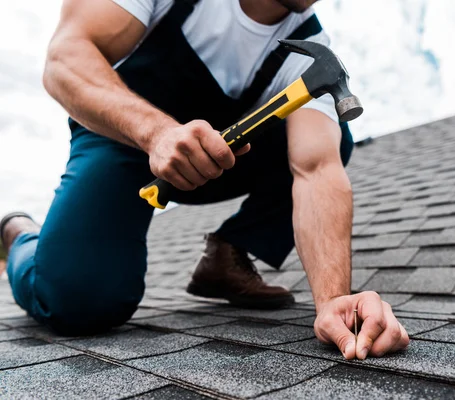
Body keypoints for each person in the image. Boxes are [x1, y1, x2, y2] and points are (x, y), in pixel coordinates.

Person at [0, 0, 409, 360]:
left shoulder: (308, 53)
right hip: (120, 141)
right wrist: (155, 133)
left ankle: (228, 257)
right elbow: (65, 58)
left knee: (335, 140)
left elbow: (316, 170)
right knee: (78, 300)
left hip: (218, 160)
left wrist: (335, 299)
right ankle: (21, 234)